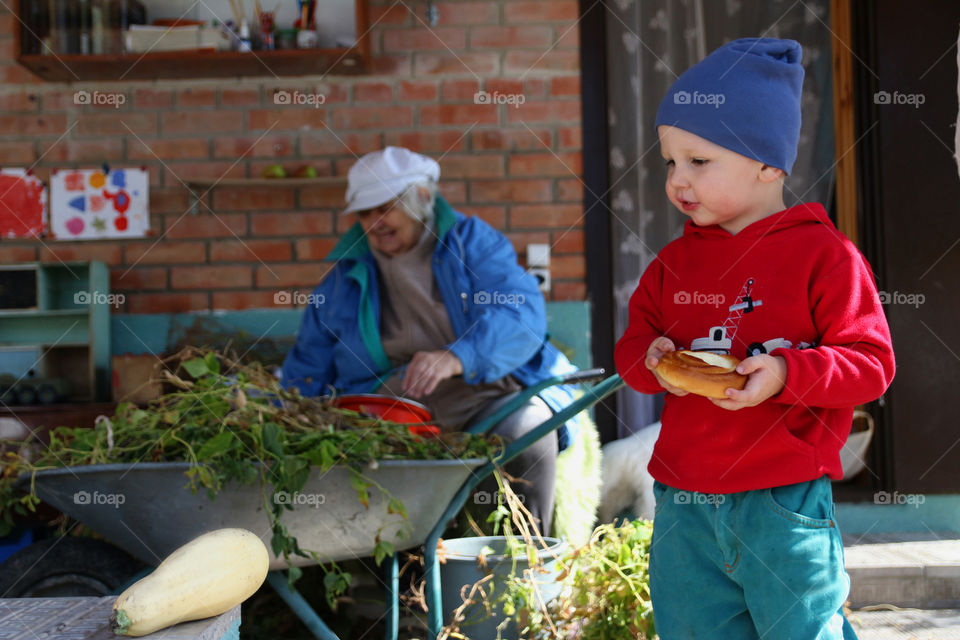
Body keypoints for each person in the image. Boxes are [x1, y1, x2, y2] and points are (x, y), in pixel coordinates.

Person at [614, 38, 895, 639]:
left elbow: (871, 363)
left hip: (782, 502)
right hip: (683, 505)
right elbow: (634, 351)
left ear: (767, 164)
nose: (677, 181)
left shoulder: (826, 256)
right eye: (670, 162)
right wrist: (652, 357)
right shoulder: (670, 265)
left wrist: (790, 373)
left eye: (698, 161)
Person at [282, 146, 581, 534]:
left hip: (488, 399)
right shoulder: (343, 281)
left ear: (422, 198)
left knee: (527, 432)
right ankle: (405, 590)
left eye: (386, 208)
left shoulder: (472, 243)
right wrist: (287, 416)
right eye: (365, 213)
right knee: (358, 476)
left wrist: (456, 357)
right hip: (395, 417)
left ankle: (522, 570)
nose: (375, 223)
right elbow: (308, 366)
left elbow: (522, 317)